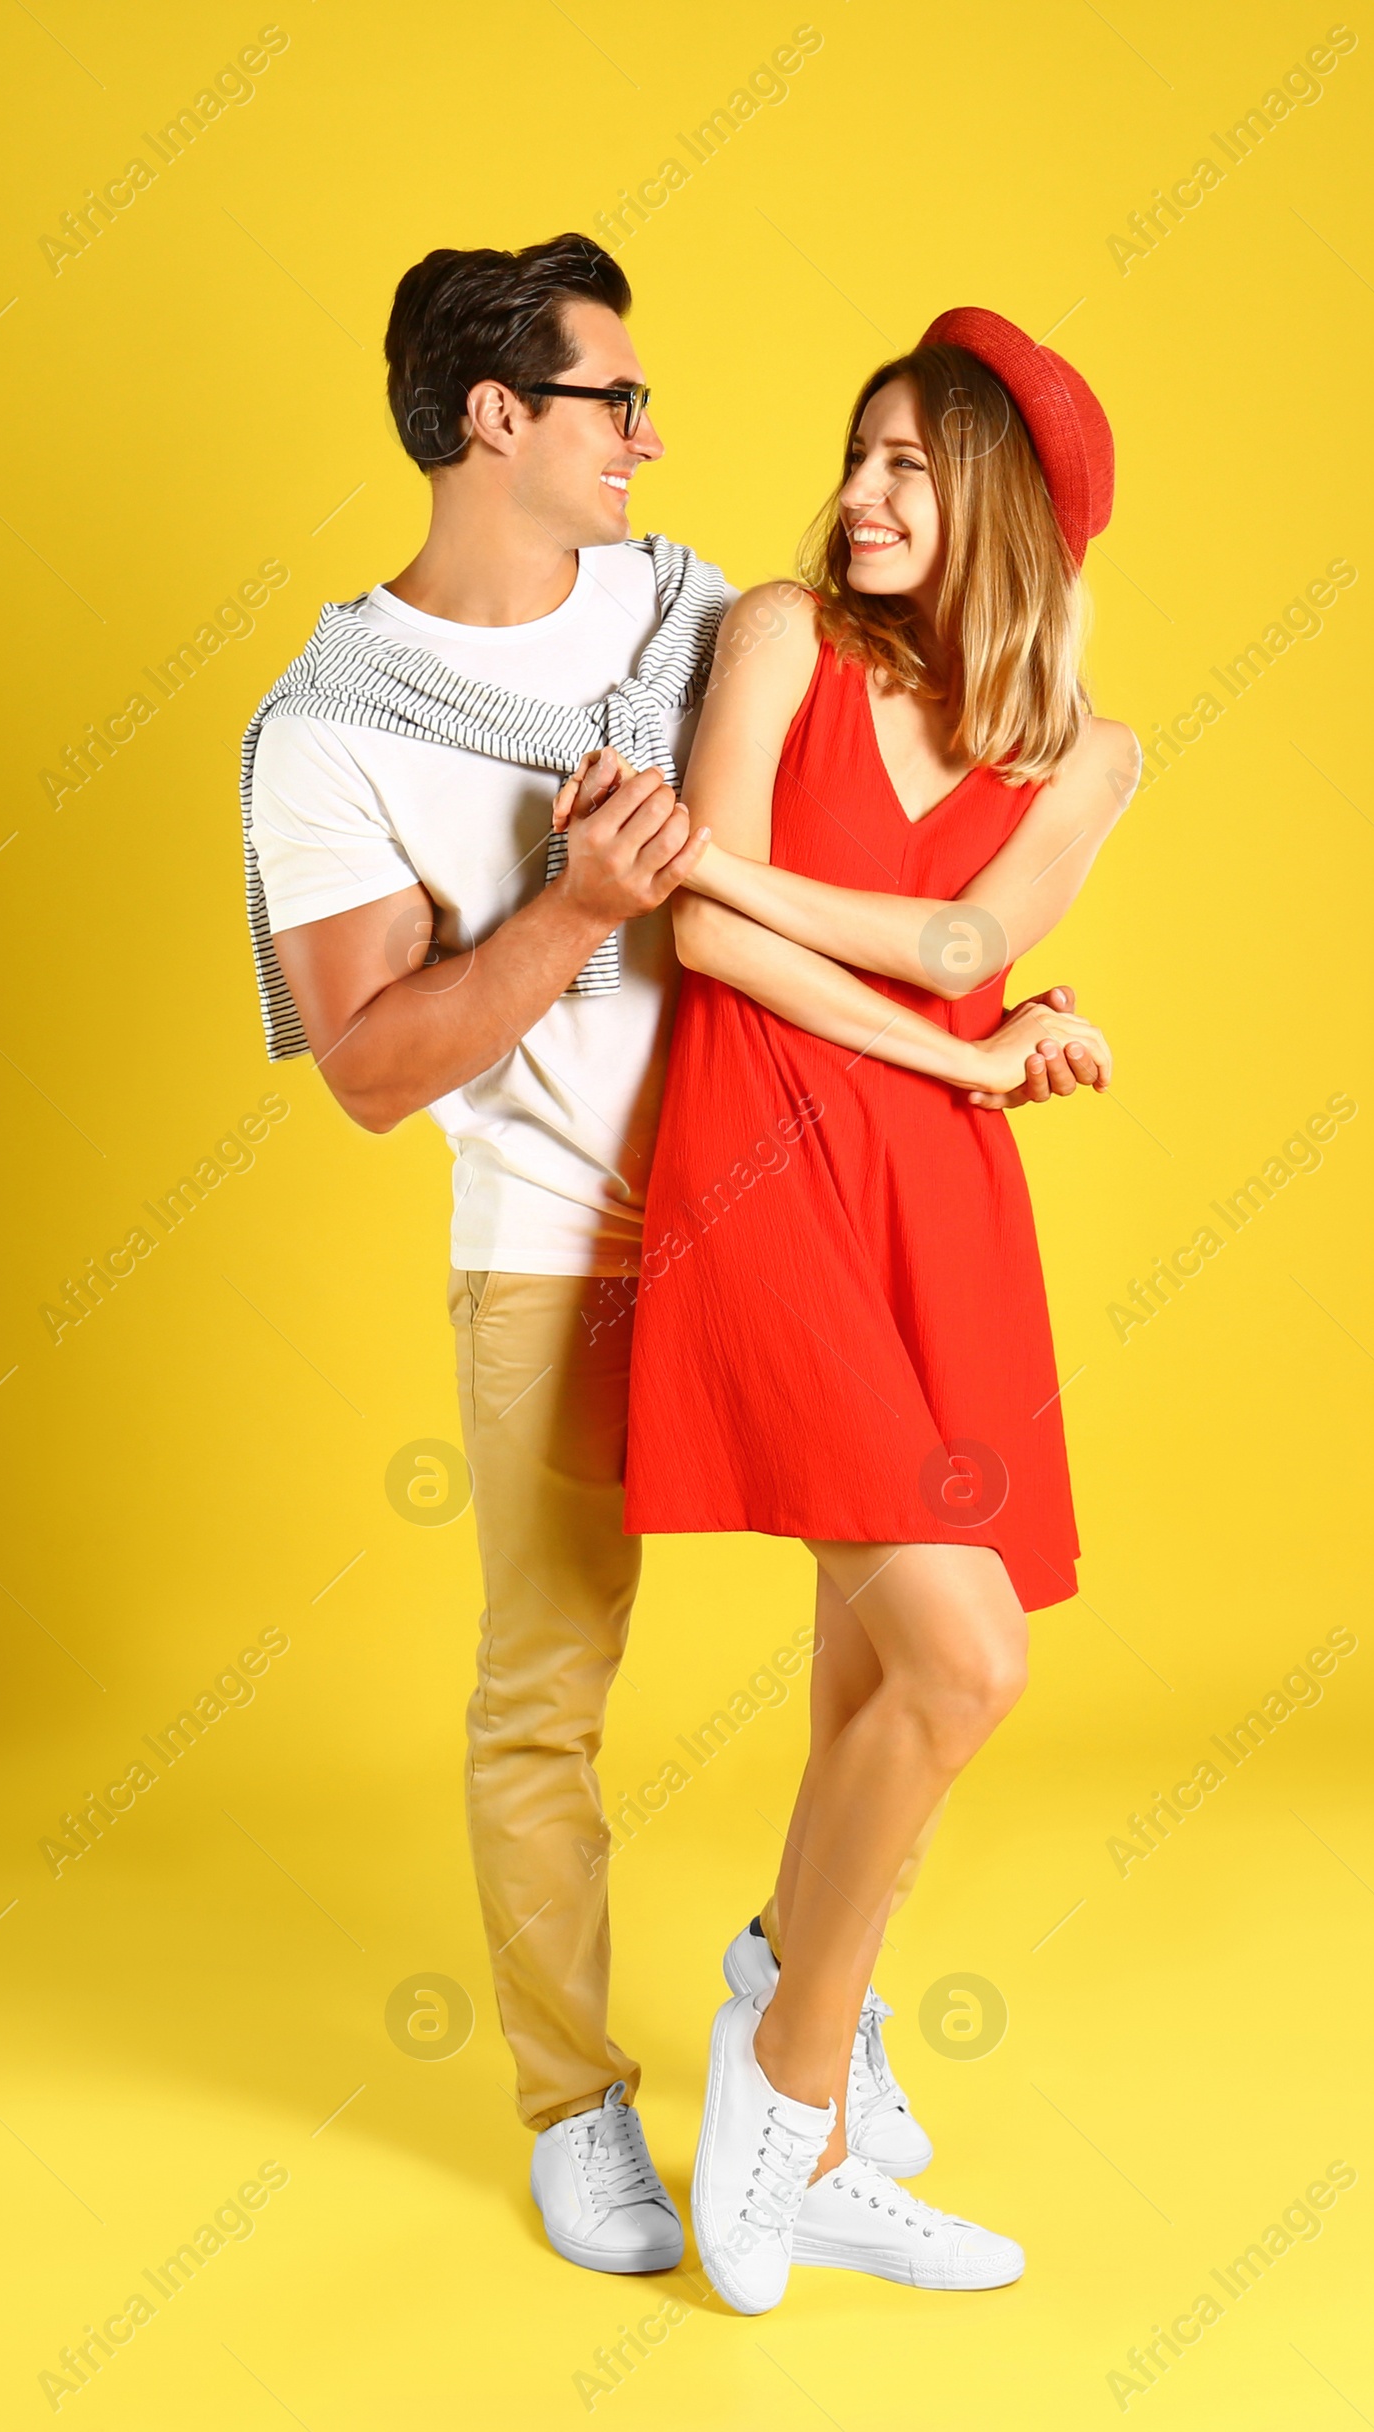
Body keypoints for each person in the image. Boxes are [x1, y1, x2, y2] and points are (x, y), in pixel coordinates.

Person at [242, 241, 1105, 2280]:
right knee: (548, 1687)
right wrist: (568, 912)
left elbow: (863, 822)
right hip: (557, 1235)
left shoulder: (696, 609)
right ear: (493, 421)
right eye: (612, 401)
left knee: (889, 1651)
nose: (652, 432)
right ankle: (574, 2104)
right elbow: (369, 1067)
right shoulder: (325, 733)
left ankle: (802, 2039)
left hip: (790, 1203)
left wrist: (984, 992)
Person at [585, 306, 1138, 2311]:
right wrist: (965, 1036)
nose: (861, 495)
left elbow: (969, 929)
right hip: (763, 1167)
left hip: (936, 1197)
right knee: (961, 1663)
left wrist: (967, 1002)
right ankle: (786, 2082)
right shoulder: (776, 635)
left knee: (867, 1688)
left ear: (1004, 502)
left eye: (911, 465)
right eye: (858, 451)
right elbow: (703, 932)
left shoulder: (1085, 745)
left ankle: (791, 2017)